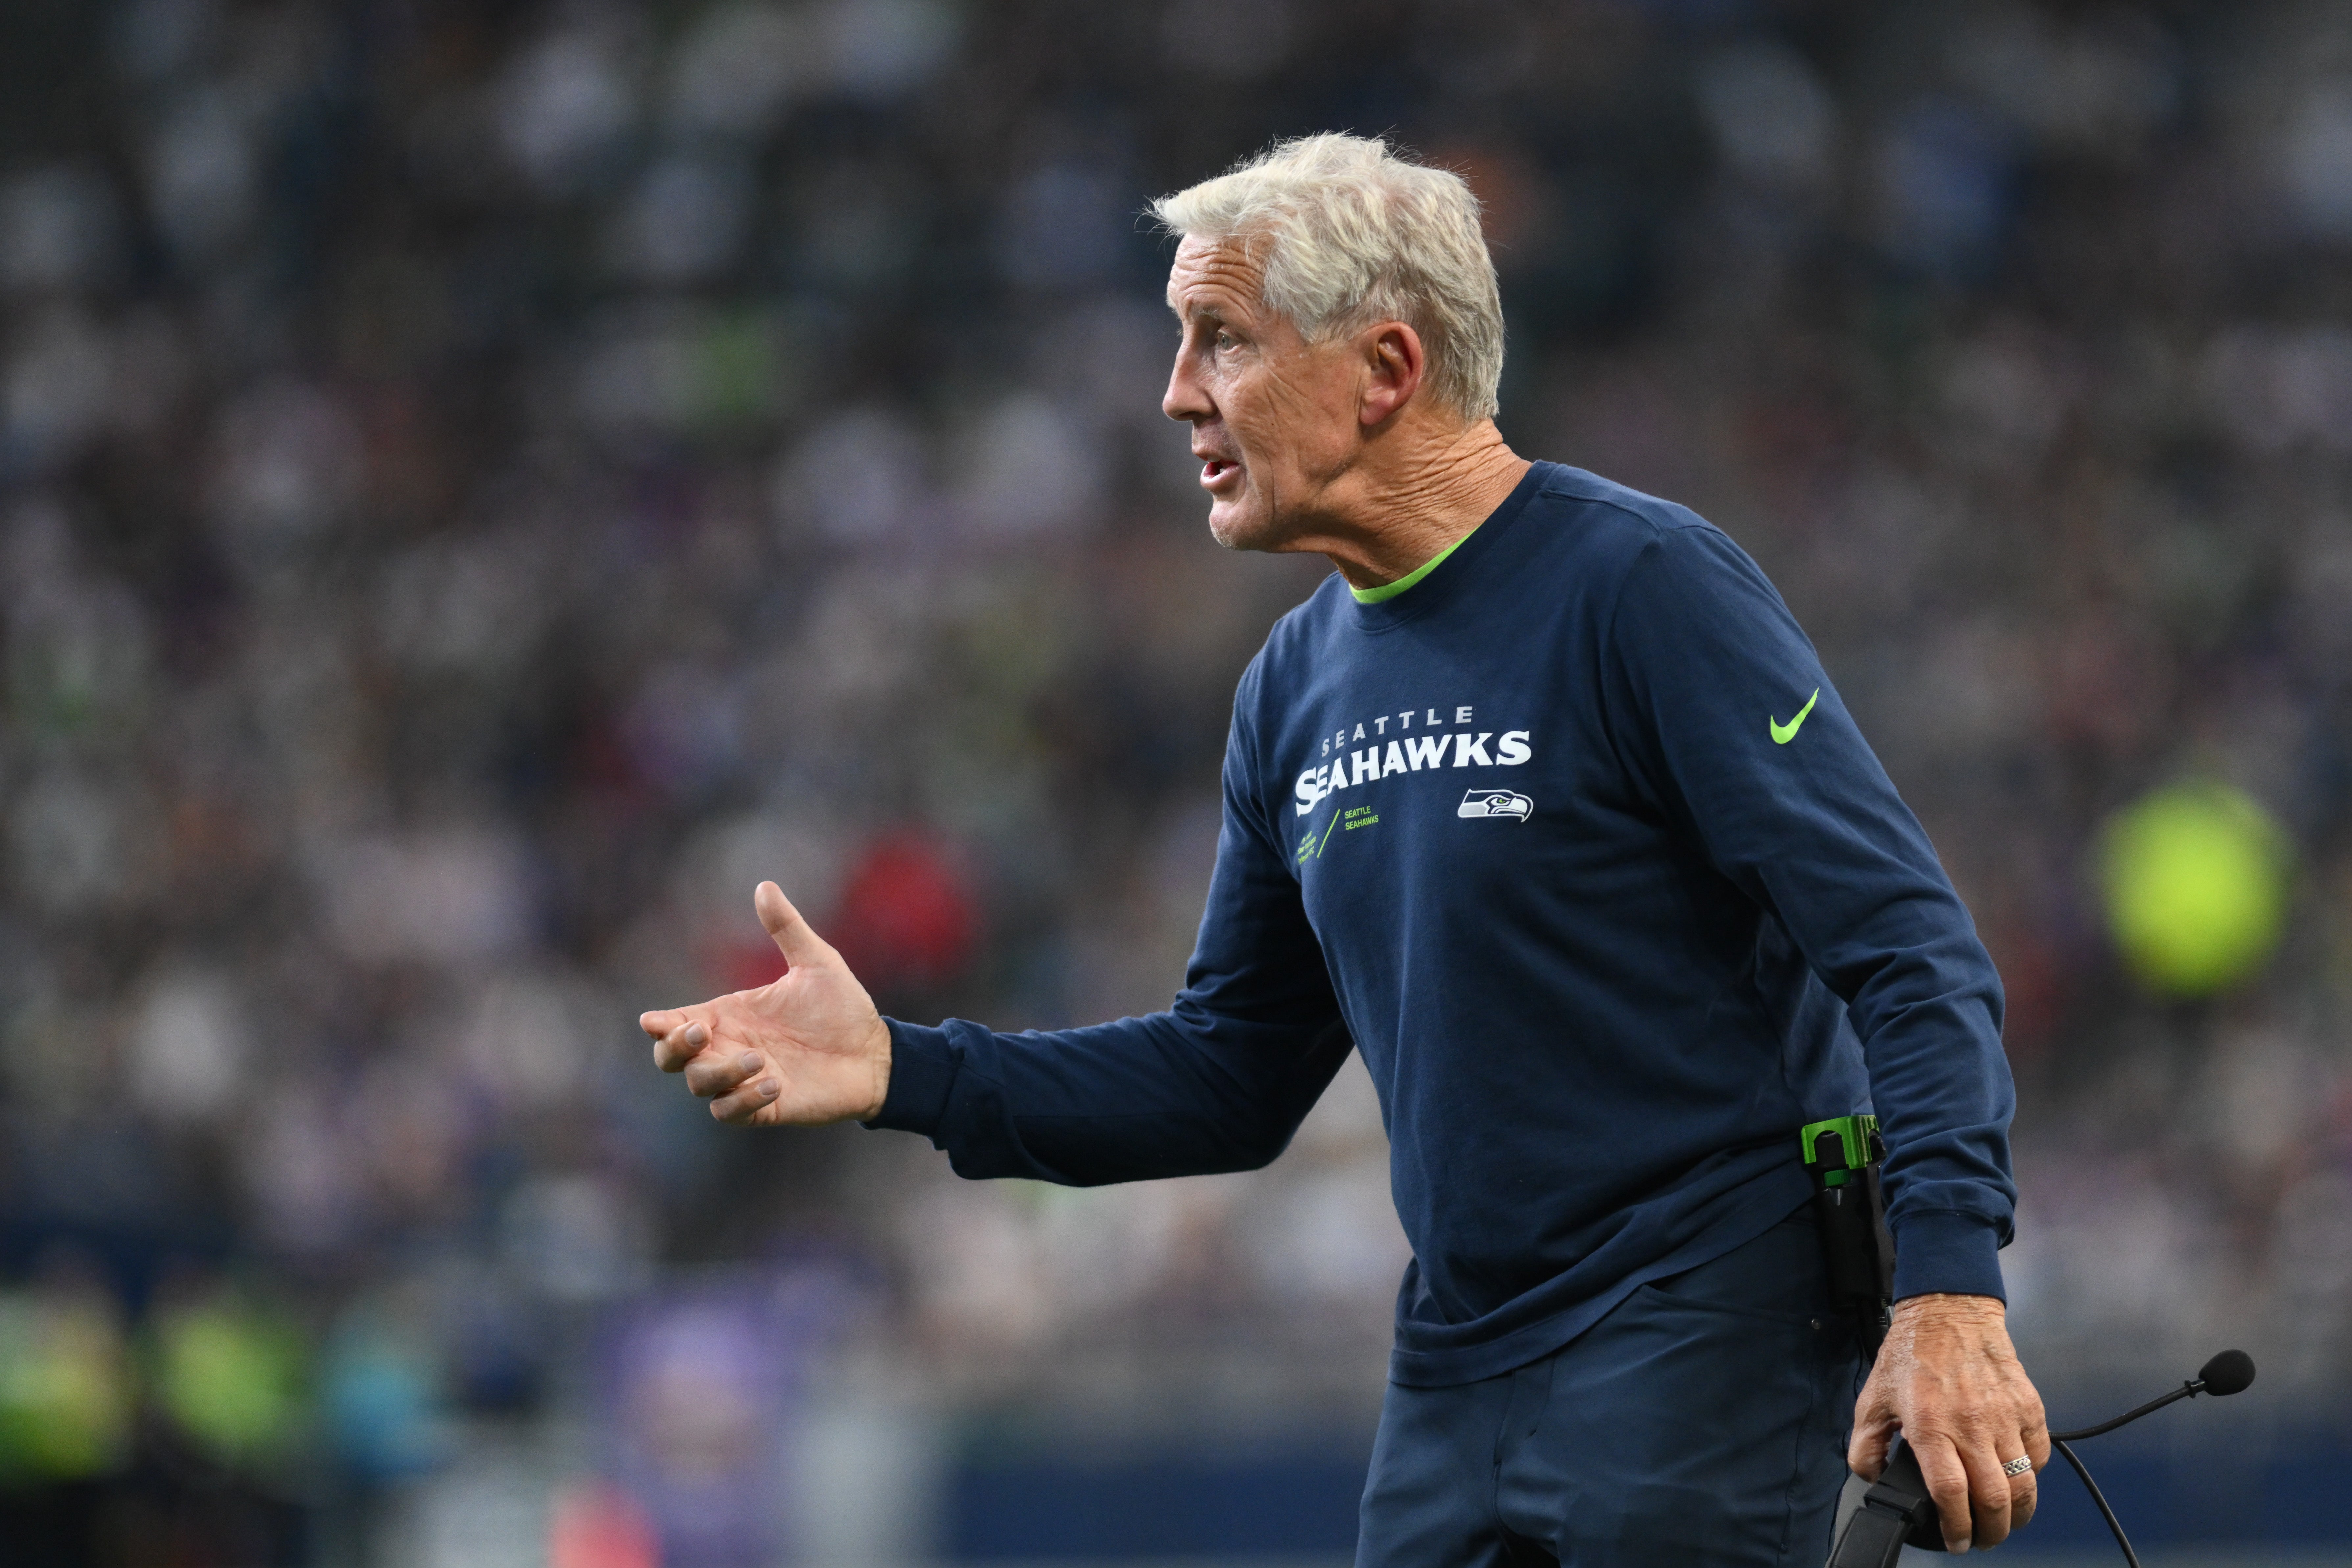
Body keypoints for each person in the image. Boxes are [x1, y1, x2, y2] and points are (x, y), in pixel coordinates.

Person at [640, 133, 2046, 1567]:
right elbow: (1227, 1076)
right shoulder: (1293, 684)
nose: (1175, 391)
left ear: (1383, 369)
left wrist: (1948, 1294)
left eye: (1221, 340)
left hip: (1699, 1333)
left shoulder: (1641, 587)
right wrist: (904, 1068)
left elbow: (1908, 950)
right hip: (1456, 1364)